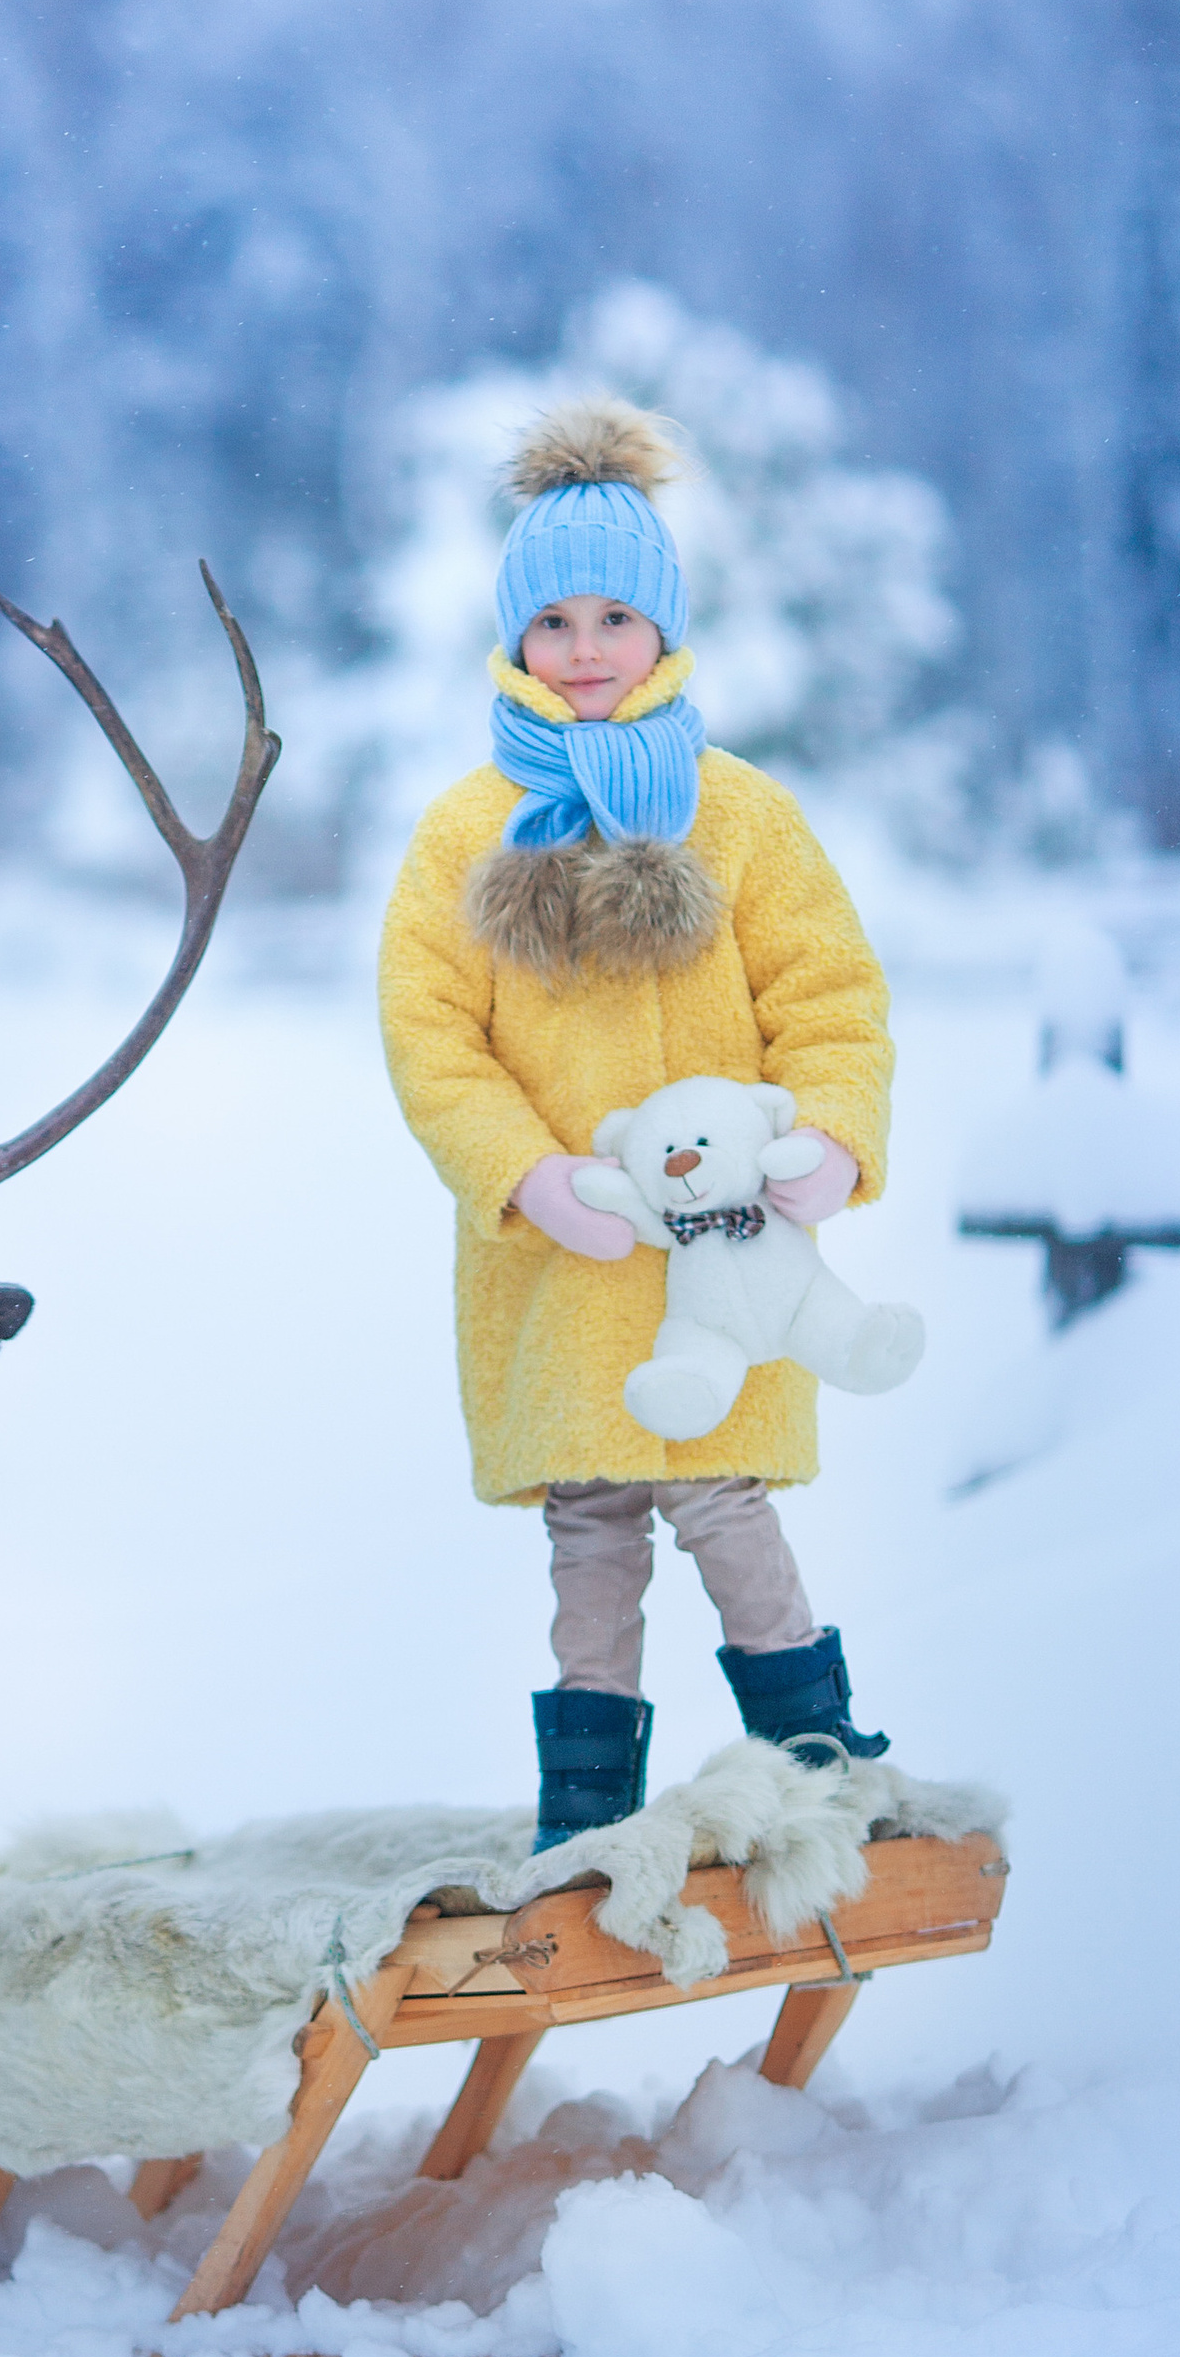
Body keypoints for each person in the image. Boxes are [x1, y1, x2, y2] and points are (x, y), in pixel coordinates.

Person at [378, 396, 898, 1846]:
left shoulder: (738, 819)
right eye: (556, 621)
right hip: (563, 1263)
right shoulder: (466, 829)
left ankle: (818, 1760)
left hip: (719, 1257)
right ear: (515, 641)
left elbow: (832, 996)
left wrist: (838, 1135)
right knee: (593, 1526)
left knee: (725, 1498)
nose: (588, 648)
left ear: (664, 632)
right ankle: (586, 1799)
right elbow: (431, 1034)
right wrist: (519, 1174)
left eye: (617, 616)